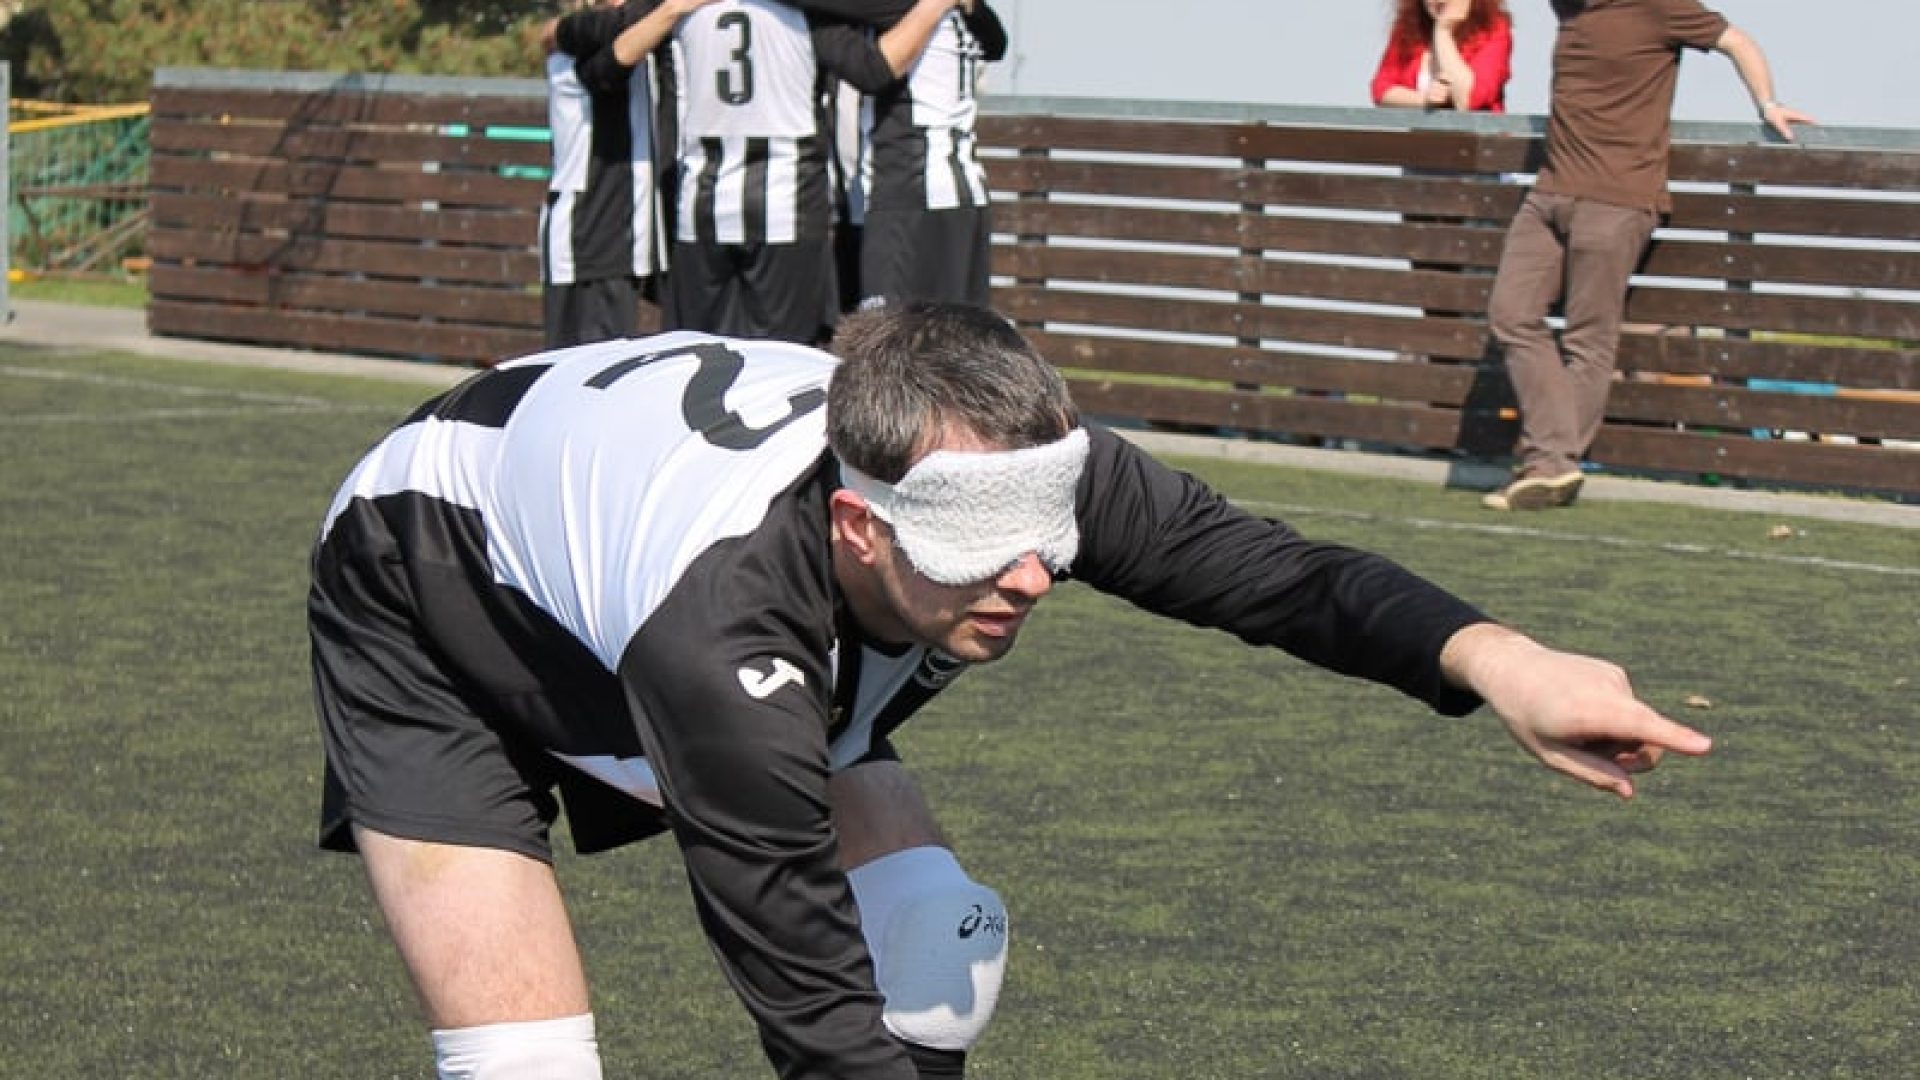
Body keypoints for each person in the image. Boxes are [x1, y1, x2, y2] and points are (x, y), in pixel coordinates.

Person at [309, 301, 1713, 1080]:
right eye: (984, 552)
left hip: (670, 550)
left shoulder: (1028, 485)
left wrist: (1506, 663)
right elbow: (812, 1017)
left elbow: (1287, 581)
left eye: (1048, 538)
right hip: (427, 580)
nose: (1033, 577)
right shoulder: (727, 644)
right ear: (861, 525)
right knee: (532, 1065)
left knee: (938, 939)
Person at [1481, 0, 1812, 511]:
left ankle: (1549, 464)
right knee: (1511, 314)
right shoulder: (1567, 7)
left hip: (1618, 200)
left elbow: (1737, 42)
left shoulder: (1661, 6)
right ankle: (1552, 461)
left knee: (1587, 336)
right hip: (1549, 193)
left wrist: (1768, 104)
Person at [561, 0, 960, 345]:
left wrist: (662, 13)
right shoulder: (809, 12)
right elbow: (873, 69)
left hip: (700, 205)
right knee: (786, 358)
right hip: (789, 207)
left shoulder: (678, 11)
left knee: (702, 355)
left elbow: (599, 66)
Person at [538, 0, 712, 348]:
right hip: (588, 237)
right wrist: (673, 9)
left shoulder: (626, 40)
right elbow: (613, 57)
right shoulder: (579, 47)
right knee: (587, 368)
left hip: (624, 237)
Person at [850, 0, 1008, 309]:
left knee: (894, 331)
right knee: (955, 330)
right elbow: (997, 42)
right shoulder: (957, 12)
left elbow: (872, 71)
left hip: (913, 185)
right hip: (961, 188)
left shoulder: (902, 8)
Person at [1370, 0, 1513, 114]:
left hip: (1478, 140)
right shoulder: (1409, 29)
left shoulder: (1495, 30)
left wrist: (1443, 30)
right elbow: (1381, 89)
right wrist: (1427, 100)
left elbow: (1468, 99)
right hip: (1424, 140)